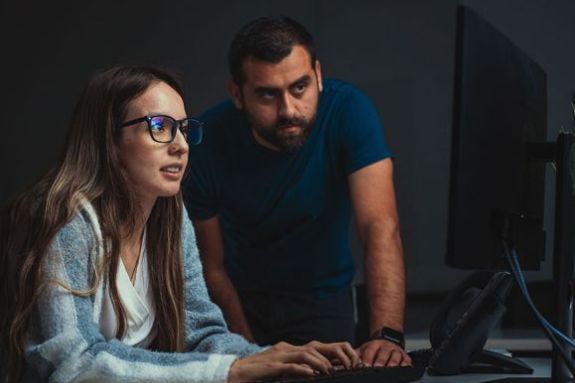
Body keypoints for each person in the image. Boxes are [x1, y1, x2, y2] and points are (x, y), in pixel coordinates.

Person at [0, 65, 361, 383]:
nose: (181, 146)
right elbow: (73, 364)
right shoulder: (65, 220)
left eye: (185, 129)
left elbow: (201, 331)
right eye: (159, 126)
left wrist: (272, 358)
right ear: (109, 140)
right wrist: (227, 372)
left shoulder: (170, 215)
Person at [183, 16, 411, 368]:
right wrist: (247, 352)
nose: (288, 110)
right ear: (237, 94)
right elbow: (211, 266)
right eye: (267, 95)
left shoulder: (349, 111)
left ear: (318, 75)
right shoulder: (206, 143)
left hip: (324, 300)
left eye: (300, 87)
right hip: (241, 303)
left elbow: (380, 226)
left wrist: (387, 334)